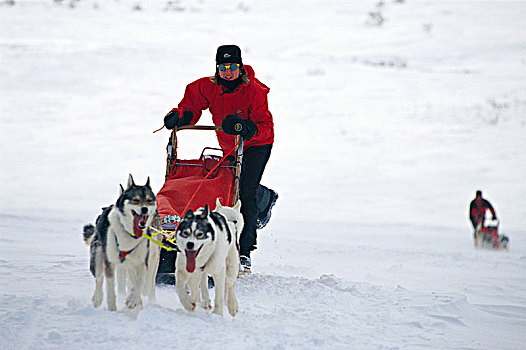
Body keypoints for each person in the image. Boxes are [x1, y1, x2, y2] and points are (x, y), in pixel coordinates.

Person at [163, 45, 275, 273]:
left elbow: (264, 125)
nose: (228, 72)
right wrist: (180, 116)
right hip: (230, 144)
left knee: (246, 190)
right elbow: (191, 107)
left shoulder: (254, 90)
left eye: (232, 66)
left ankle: (244, 251)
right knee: (222, 186)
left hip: (255, 143)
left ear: (240, 66)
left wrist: (244, 127)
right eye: (223, 67)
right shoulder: (206, 87)